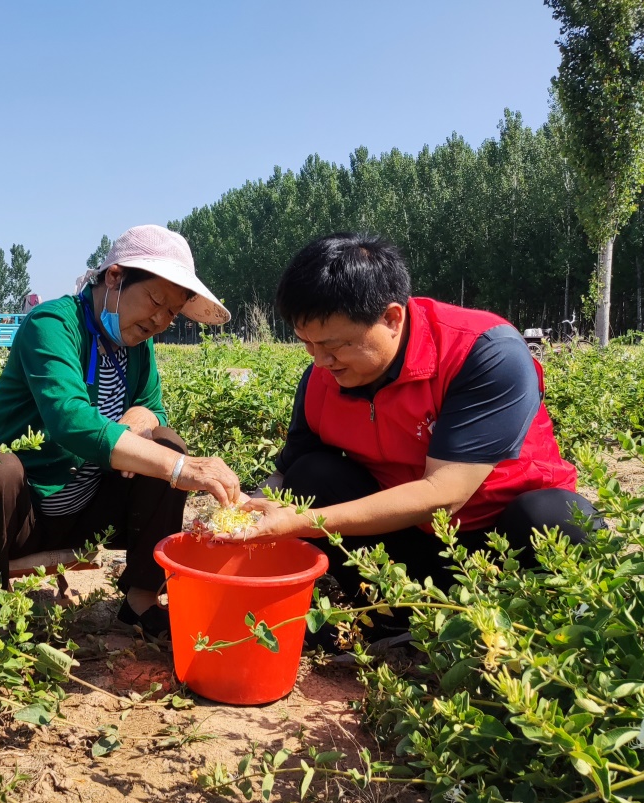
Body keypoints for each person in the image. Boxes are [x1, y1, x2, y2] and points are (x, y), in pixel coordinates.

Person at [240, 233, 596, 640]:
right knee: (310, 474)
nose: (320, 361)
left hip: (503, 545)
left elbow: (445, 493)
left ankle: (539, 626)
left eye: (332, 345)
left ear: (392, 318)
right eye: (307, 344)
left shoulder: (482, 351)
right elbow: (283, 479)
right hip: (411, 547)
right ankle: (396, 615)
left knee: (556, 518)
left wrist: (299, 522)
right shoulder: (322, 377)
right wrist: (241, 509)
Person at [0, 225, 242, 638]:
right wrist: (179, 468)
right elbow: (71, 421)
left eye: (171, 312)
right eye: (156, 300)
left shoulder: (138, 347)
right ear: (115, 277)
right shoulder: (52, 324)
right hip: (22, 514)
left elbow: (154, 408)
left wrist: (144, 416)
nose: (160, 320)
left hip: (89, 509)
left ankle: (141, 602)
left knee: (166, 441)